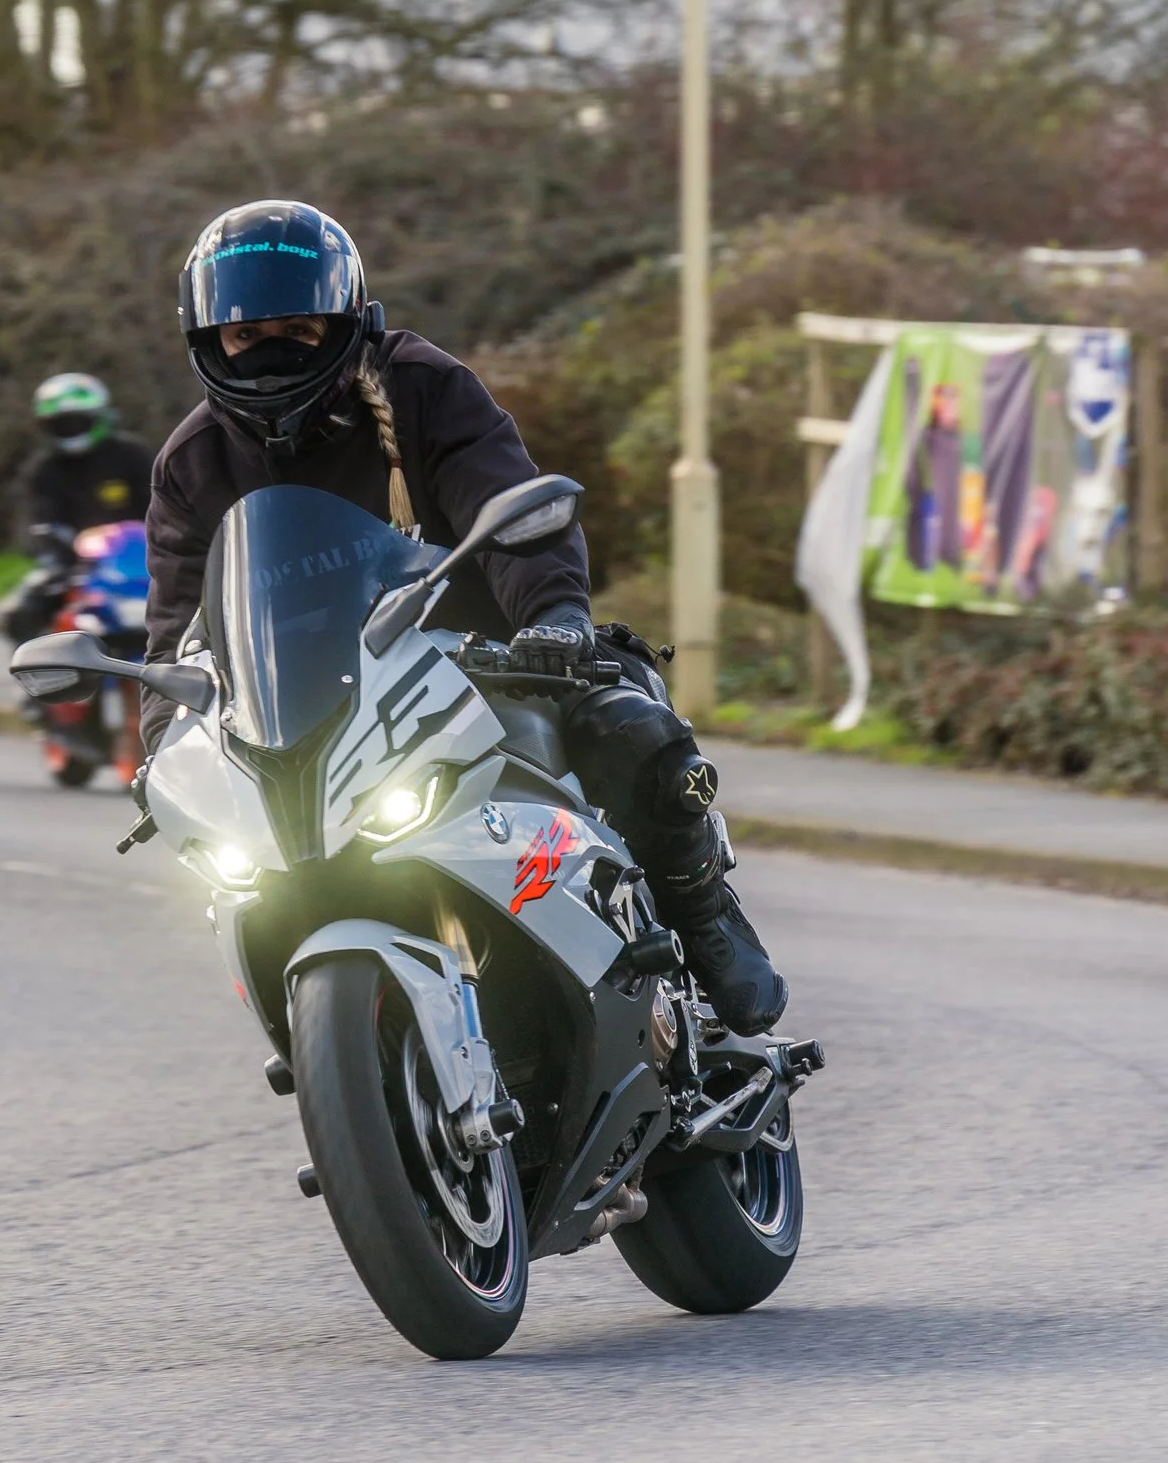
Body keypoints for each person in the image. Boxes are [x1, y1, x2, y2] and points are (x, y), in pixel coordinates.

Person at [136, 199, 788, 1037]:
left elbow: (507, 503)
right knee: (253, 870)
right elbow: (175, 630)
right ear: (206, 341)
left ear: (346, 322)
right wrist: (164, 742)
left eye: (298, 329)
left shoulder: (422, 387)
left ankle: (702, 916)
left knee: (635, 726)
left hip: (482, 664)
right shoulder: (192, 465)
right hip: (313, 712)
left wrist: (553, 618)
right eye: (245, 334)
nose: (269, 351)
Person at [1, 373, 156, 647]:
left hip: (141, 561)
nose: (70, 430)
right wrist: (50, 546)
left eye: (77, 421)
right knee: (20, 610)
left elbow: (163, 505)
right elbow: (37, 519)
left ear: (99, 417)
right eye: (61, 424)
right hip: (74, 564)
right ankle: (41, 681)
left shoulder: (133, 456)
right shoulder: (43, 469)